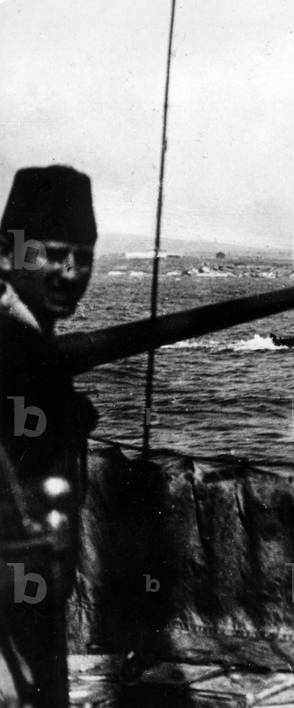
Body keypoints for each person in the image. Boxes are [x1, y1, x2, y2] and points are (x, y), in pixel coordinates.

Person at [0, 165, 99, 705]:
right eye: (53, 253)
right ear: (5, 252)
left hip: (36, 594)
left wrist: (66, 413)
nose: (70, 272)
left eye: (83, 257)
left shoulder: (29, 344)